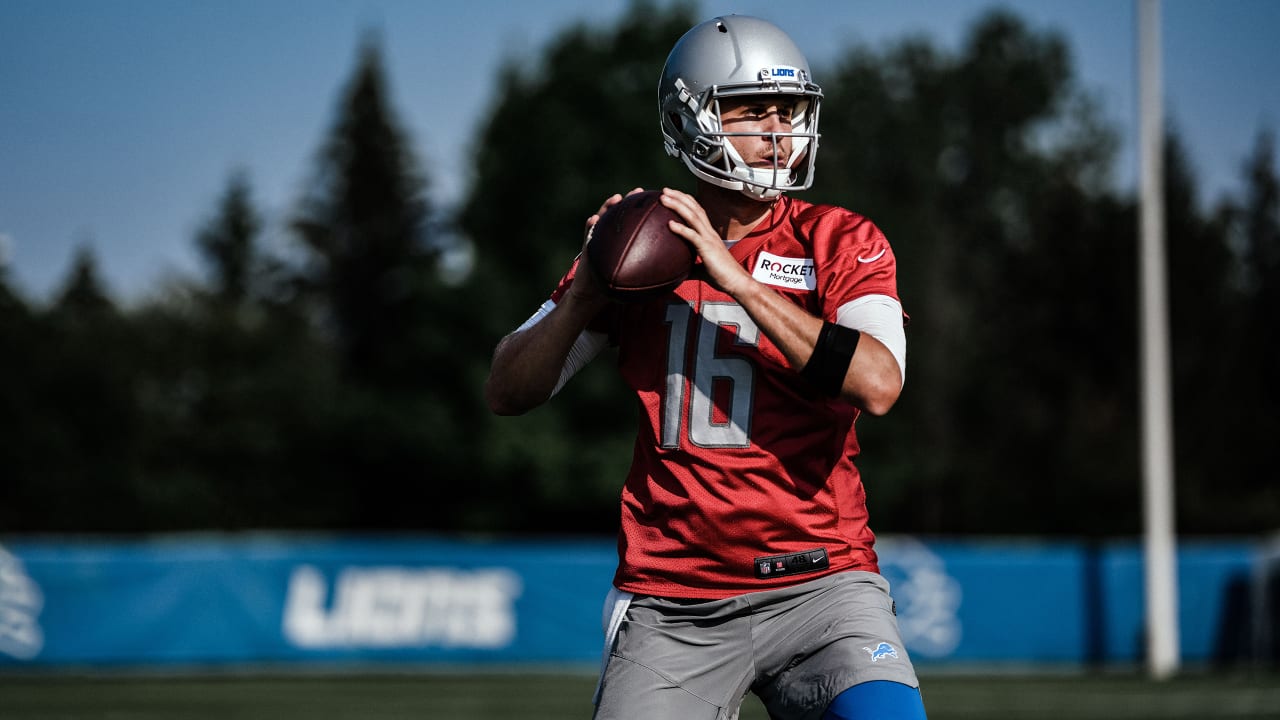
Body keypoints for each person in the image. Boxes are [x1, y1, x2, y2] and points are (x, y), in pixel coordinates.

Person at [484, 14, 927, 720]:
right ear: (689, 120)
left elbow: (878, 383)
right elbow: (506, 390)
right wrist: (587, 295)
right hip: (674, 601)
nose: (779, 129)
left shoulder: (839, 238)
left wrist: (740, 282)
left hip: (823, 584)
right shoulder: (641, 247)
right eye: (752, 109)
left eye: (790, 110)